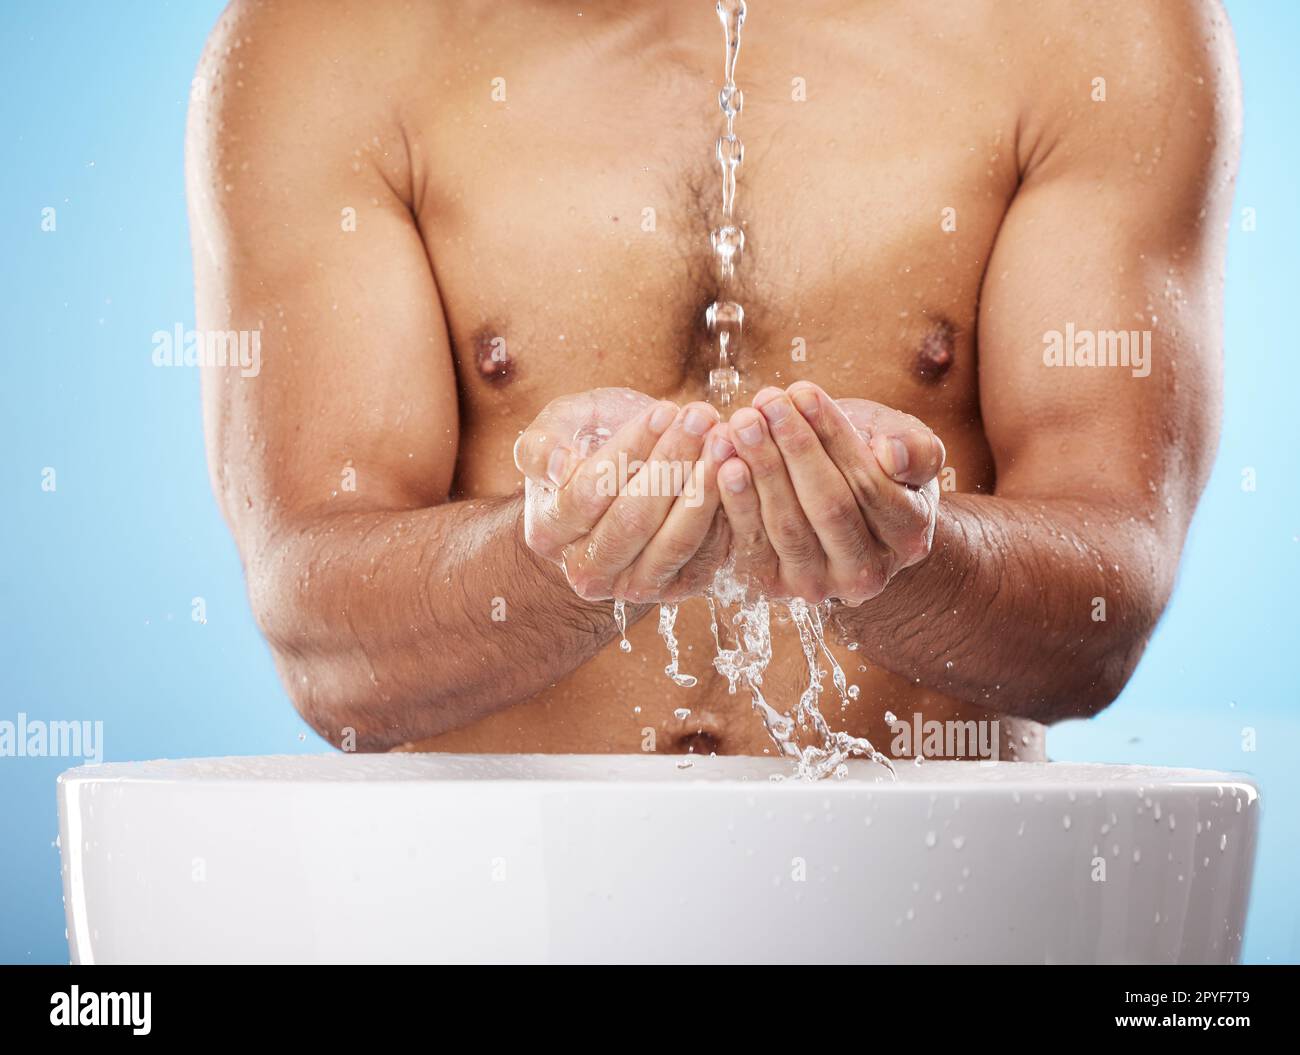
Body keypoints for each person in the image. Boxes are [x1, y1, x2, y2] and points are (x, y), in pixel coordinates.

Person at [187, 0, 1240, 761]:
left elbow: (1104, 616)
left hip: (926, 903)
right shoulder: (323, 37)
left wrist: (909, 554)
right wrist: (553, 557)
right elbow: (321, 646)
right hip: (504, 905)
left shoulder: (1099, 28)